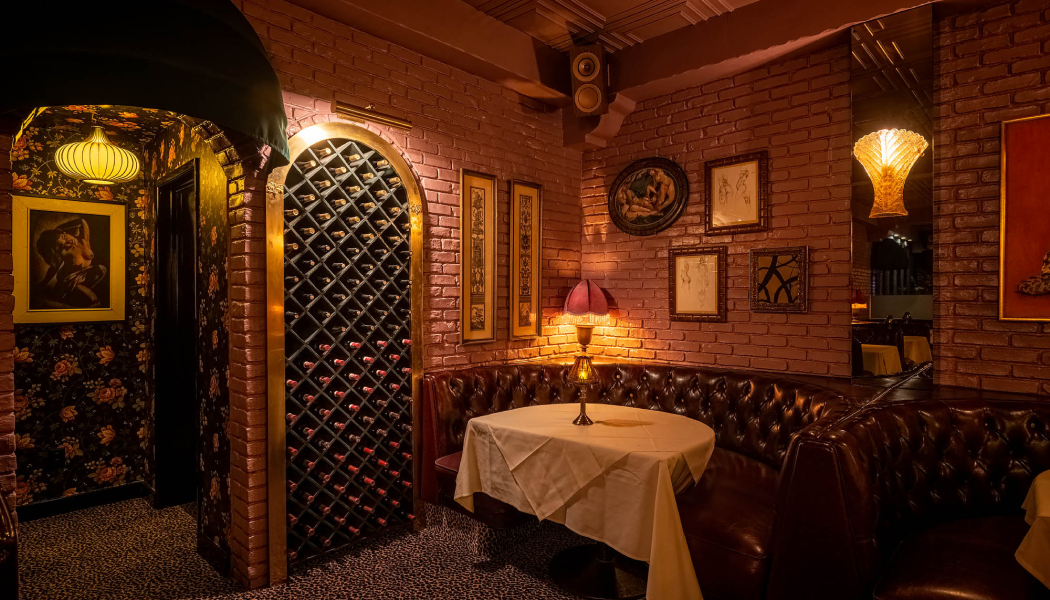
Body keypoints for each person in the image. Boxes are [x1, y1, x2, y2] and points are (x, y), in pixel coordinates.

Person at [32, 216, 108, 309]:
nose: (67, 243)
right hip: (73, 280)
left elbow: (82, 221)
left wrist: (60, 228)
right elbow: (56, 271)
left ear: (65, 232)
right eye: (62, 246)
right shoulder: (64, 254)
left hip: (90, 274)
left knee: (100, 272)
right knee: (92, 300)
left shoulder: (83, 240)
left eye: (64, 237)